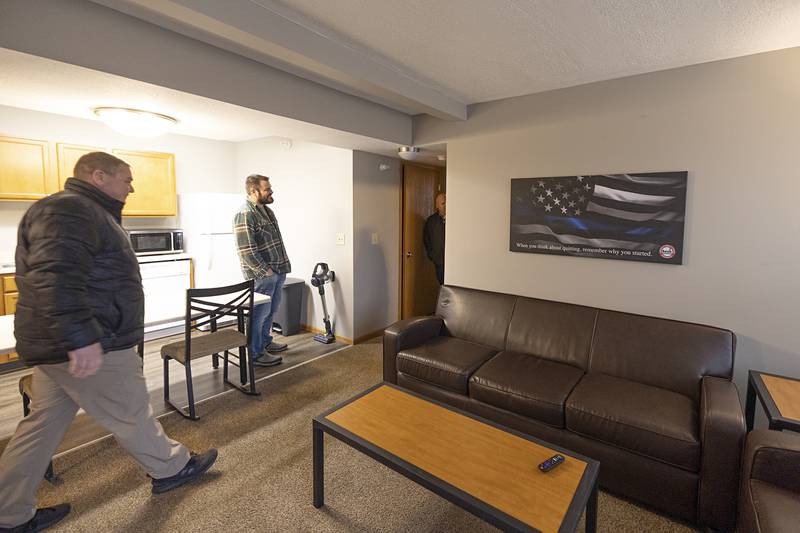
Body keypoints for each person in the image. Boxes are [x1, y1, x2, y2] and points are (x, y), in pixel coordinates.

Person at [0, 152, 218, 533]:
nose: (132, 186)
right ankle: (171, 468)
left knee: (41, 427)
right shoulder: (72, 210)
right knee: (132, 412)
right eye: (126, 179)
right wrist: (80, 337)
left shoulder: (78, 210)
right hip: (91, 343)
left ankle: (7, 511)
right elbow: (56, 277)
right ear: (99, 176)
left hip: (62, 346)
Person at [233, 174, 292, 367]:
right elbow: (246, 250)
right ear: (253, 191)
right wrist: (265, 271)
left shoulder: (266, 211)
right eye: (267, 189)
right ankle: (256, 353)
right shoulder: (245, 213)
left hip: (277, 271)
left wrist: (279, 271)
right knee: (258, 315)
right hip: (262, 276)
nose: (271, 191)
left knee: (271, 311)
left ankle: (265, 341)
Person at [423, 192, 446, 285]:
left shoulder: (456, 219)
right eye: (442, 203)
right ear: (437, 205)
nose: (445, 206)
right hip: (439, 263)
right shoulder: (431, 221)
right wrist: (432, 255)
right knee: (444, 288)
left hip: (454, 263)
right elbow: (426, 240)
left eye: (446, 203)